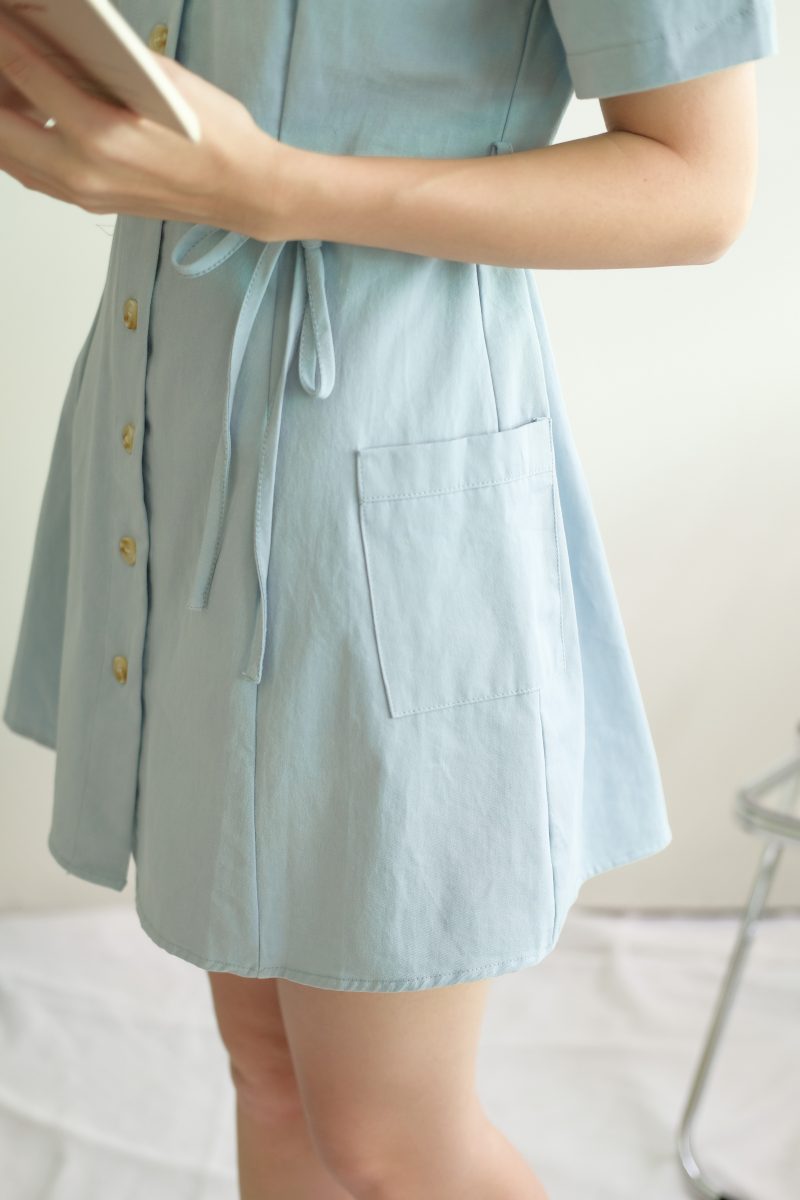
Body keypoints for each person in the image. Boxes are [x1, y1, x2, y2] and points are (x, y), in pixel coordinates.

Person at [0, 3, 778, 1197]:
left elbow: (699, 186)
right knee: (268, 1071)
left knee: (389, 1140)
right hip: (173, 436)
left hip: (379, 489)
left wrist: (277, 188)